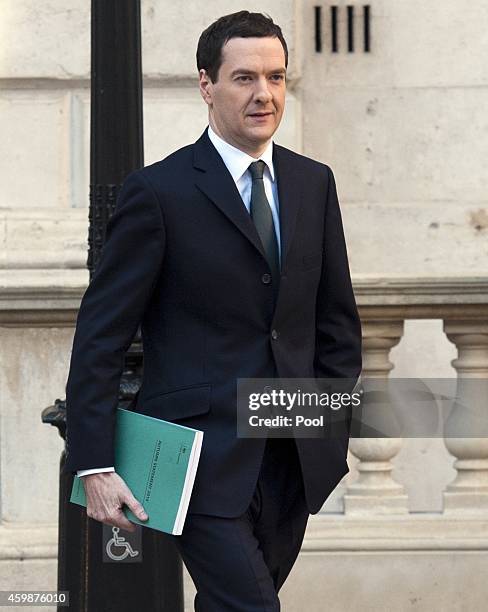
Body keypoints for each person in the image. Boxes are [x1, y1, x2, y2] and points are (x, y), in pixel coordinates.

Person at [64, 10, 362, 611]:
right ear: (207, 85)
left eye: (276, 78)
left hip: (291, 452)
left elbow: (336, 324)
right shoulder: (158, 192)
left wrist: (327, 421)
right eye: (245, 78)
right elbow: (101, 335)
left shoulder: (313, 184)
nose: (264, 95)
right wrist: (93, 462)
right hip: (197, 460)